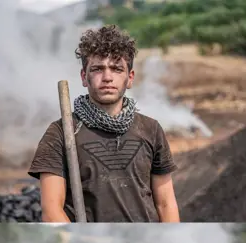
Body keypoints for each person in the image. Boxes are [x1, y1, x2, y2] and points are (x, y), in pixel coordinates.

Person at [28, 24, 180, 223]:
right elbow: (51, 211)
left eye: (117, 69)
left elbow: (166, 203)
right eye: (98, 69)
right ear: (84, 77)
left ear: (130, 77)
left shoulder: (151, 129)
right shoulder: (61, 132)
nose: (107, 77)